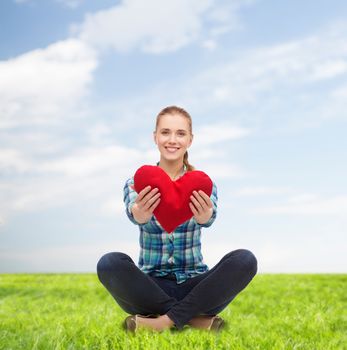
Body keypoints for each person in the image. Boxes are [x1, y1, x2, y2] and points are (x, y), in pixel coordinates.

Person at [97, 106, 257, 332]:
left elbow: (210, 218)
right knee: (109, 263)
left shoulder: (202, 183)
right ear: (155, 137)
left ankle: (161, 322)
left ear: (190, 140)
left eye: (180, 133)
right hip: (151, 287)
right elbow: (134, 212)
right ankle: (192, 319)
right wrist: (139, 214)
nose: (172, 140)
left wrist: (205, 217)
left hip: (196, 285)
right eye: (165, 132)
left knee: (245, 260)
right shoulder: (137, 182)